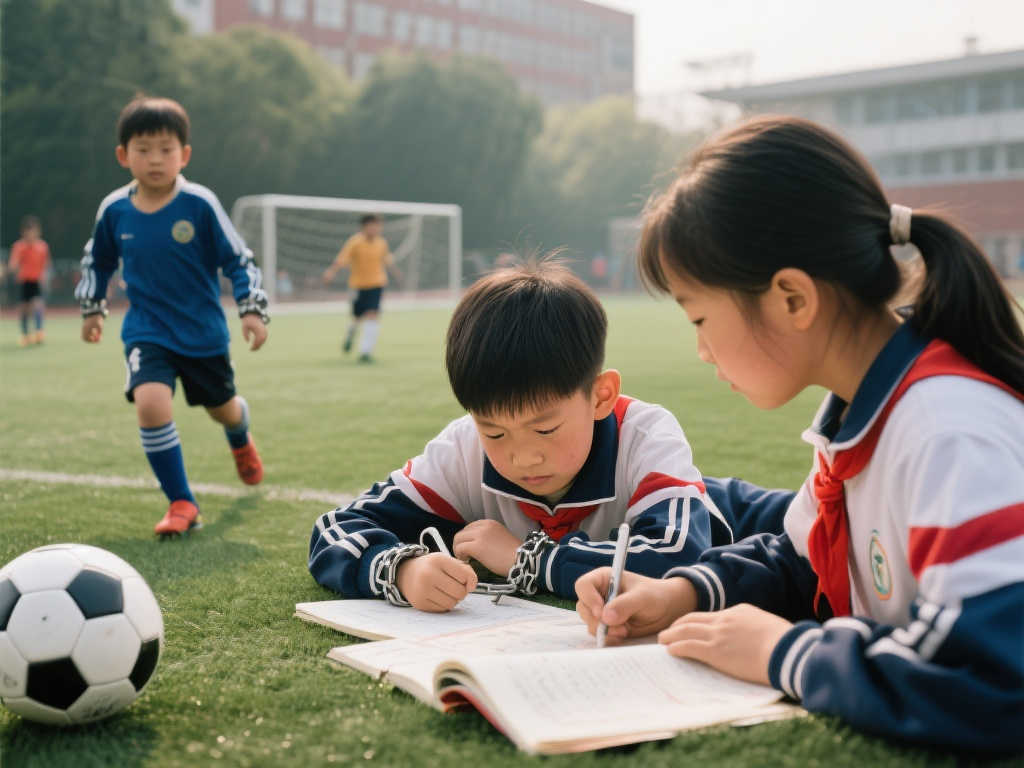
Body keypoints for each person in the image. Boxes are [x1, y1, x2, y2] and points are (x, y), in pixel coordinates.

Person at [574, 116, 1024, 751]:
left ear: (792, 298)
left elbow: (990, 678)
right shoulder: (866, 412)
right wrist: (683, 593)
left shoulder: (947, 432)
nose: (702, 350)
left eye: (700, 316)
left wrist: (788, 655)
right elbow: (802, 557)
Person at [309, 261, 785, 612]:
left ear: (601, 396)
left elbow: (679, 559)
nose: (523, 457)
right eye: (495, 431)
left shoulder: (646, 434)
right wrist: (402, 569)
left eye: (546, 428)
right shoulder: (465, 447)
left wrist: (526, 559)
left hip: (744, 516)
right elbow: (335, 529)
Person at [75, 96, 271, 537]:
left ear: (184, 154)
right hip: (147, 331)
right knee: (150, 403)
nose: (156, 159)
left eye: (166, 149)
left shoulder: (200, 204)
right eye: (143, 149)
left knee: (223, 409)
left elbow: (238, 260)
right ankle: (182, 502)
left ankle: (239, 431)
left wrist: (251, 309)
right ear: (124, 156)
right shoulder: (114, 210)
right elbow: (97, 261)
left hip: (202, 335)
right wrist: (92, 307)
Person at [321, 214, 400, 363]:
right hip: (358, 285)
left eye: (378, 226)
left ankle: (365, 352)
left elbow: (387, 260)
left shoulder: (381, 243)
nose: (375, 229)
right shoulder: (355, 242)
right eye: (372, 226)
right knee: (357, 317)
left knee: (373, 314)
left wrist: (396, 273)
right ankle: (351, 334)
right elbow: (341, 259)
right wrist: (330, 272)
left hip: (377, 284)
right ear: (364, 227)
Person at [8, 215, 51, 346]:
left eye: (33, 231)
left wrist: (45, 278)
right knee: (24, 309)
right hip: (24, 281)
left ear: (38, 231)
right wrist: (11, 268)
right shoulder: (19, 246)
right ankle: (25, 334)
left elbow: (46, 264)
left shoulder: (42, 246)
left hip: (36, 281)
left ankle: (39, 332)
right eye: (28, 232)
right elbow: (13, 264)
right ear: (23, 232)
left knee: (38, 305)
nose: (31, 235)